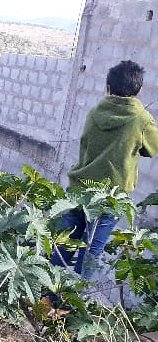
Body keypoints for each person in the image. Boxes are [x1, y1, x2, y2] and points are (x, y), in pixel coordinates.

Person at [52, 59, 158, 278]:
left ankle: (47, 299)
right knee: (91, 251)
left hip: (79, 188)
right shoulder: (142, 119)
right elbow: (152, 149)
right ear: (138, 90)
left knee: (64, 244)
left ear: (108, 88)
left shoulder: (94, 112)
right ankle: (71, 306)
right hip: (110, 197)